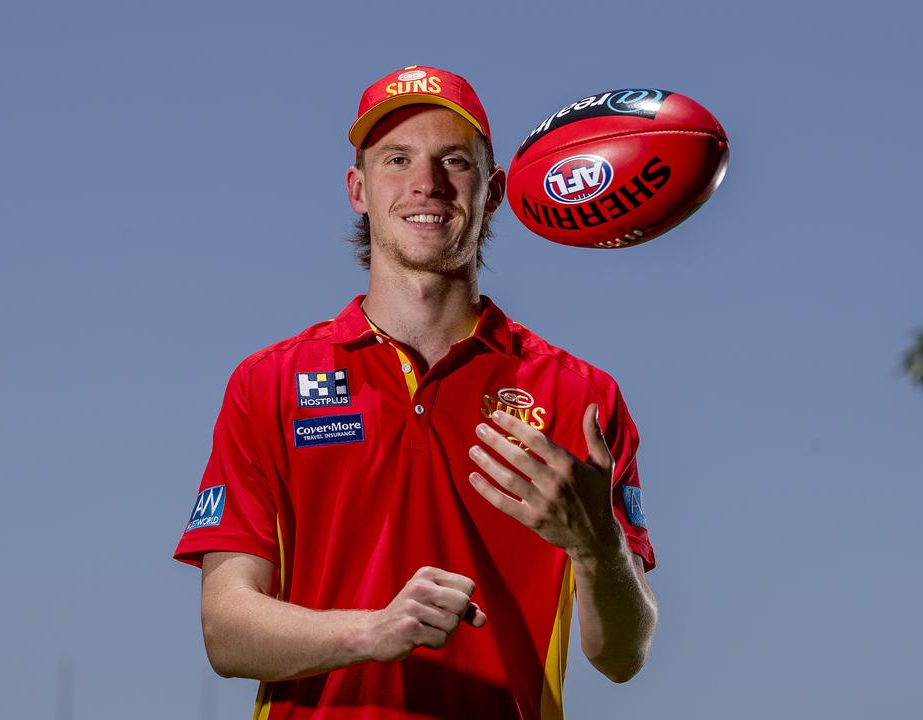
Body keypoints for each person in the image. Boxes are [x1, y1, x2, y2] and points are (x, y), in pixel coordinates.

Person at [174, 65, 657, 720]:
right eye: (396, 159)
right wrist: (372, 632)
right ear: (359, 189)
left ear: (493, 191)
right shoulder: (269, 384)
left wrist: (599, 547)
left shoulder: (580, 396)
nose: (425, 183)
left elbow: (622, 656)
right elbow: (225, 630)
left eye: (453, 160)